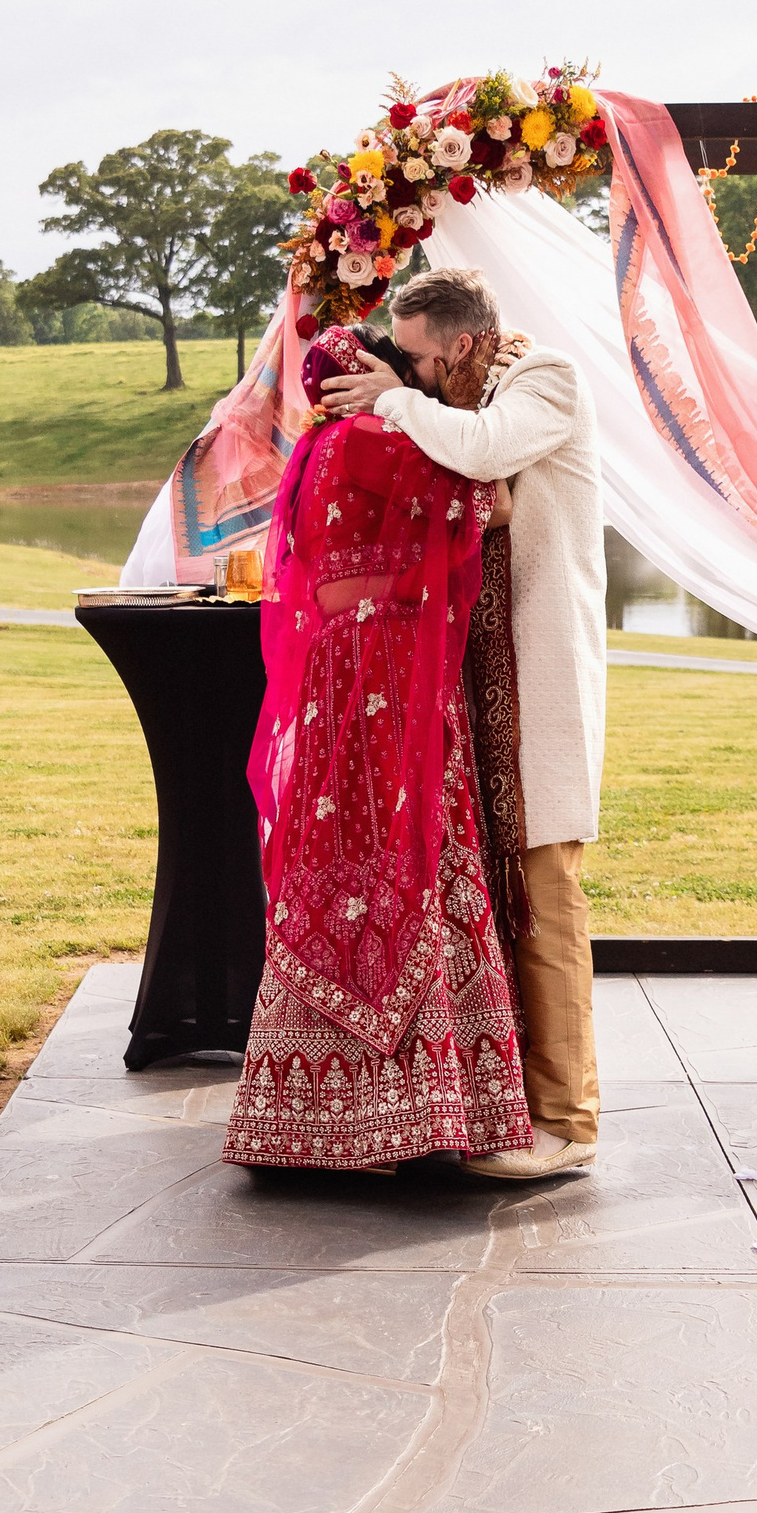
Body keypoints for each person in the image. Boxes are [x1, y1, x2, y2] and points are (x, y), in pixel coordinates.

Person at [222, 325, 534, 1174]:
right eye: (398, 369)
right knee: (416, 848)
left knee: (341, 856)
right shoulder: (373, 435)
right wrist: (481, 408)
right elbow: (492, 505)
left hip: (335, 668)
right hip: (389, 661)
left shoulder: (314, 450)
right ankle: (410, 1113)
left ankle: (307, 1116)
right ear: (369, 377)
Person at [321, 265, 608, 1176]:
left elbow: (485, 451)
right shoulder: (451, 397)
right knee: (492, 887)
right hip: (473, 675)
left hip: (540, 670)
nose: (403, 373)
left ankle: (570, 1124)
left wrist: (391, 404)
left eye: (412, 358)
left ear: (462, 343)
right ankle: (502, 1110)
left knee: (543, 888)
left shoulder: (545, 378)